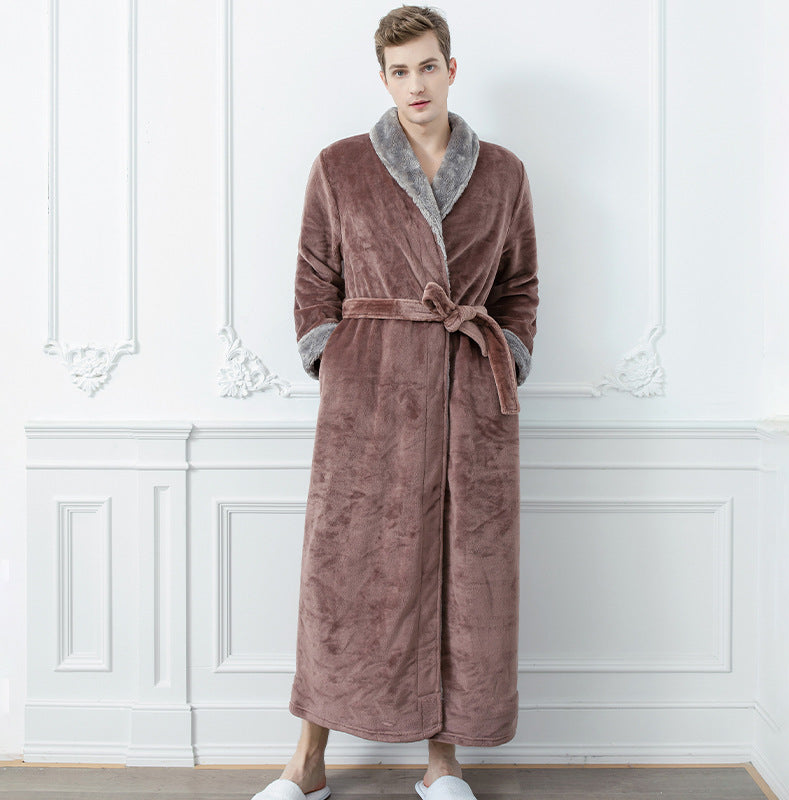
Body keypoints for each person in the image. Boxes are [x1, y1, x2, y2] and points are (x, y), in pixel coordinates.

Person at [252, 5, 539, 800]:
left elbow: (519, 286)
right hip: (368, 401)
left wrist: (508, 354)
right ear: (383, 78)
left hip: (468, 396)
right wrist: (337, 360)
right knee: (342, 574)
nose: (416, 84)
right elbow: (315, 278)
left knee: (462, 576)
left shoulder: (504, 173)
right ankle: (307, 761)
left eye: (428, 66)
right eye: (400, 70)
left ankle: (444, 763)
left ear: (452, 68)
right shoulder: (340, 166)